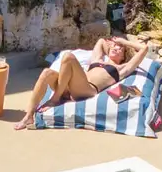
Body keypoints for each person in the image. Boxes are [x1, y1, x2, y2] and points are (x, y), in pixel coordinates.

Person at [14, 36, 149, 130]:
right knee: (46, 73)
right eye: (115, 46)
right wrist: (112, 43)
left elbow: (144, 49)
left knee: (68, 57)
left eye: (120, 49)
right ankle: (28, 116)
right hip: (70, 86)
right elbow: (101, 41)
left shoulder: (121, 69)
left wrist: (123, 41)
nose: (116, 48)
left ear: (123, 56)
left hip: (88, 90)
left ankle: (55, 99)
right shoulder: (97, 59)